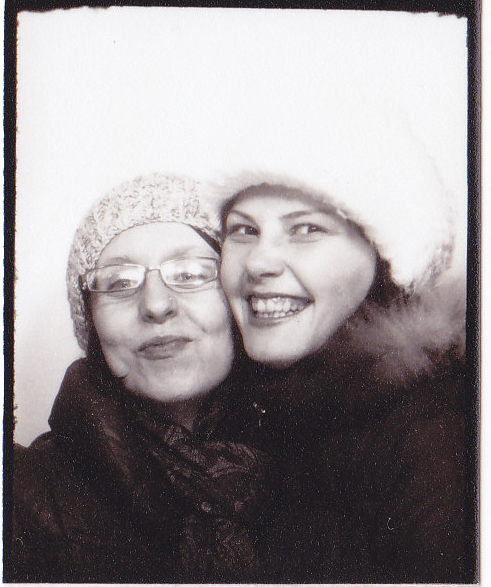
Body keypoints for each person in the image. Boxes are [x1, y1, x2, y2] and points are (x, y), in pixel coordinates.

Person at [9, 174, 272, 583]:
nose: (155, 304)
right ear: (92, 324)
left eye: (189, 274)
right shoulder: (22, 496)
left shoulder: (334, 461)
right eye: (119, 282)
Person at [216, 174, 471, 583]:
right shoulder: (239, 399)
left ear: (385, 254)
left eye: (306, 229)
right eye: (244, 230)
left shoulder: (436, 435)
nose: (258, 263)